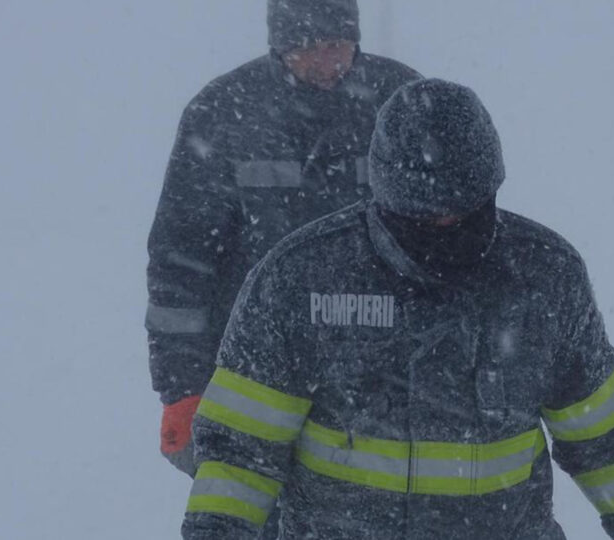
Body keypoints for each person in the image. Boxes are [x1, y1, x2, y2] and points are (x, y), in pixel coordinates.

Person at [180, 78, 614, 539]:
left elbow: (608, 446)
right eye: (425, 220)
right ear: (384, 197)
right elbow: (240, 455)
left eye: (465, 213)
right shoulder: (301, 279)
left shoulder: (545, 279)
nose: (446, 230)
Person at [146, 0, 420, 478]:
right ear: (280, 45)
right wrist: (181, 391)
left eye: (339, 45)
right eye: (309, 49)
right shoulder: (222, 115)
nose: (327, 62)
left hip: (387, 379)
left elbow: (454, 236)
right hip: (256, 374)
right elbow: (181, 264)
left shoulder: (404, 102)